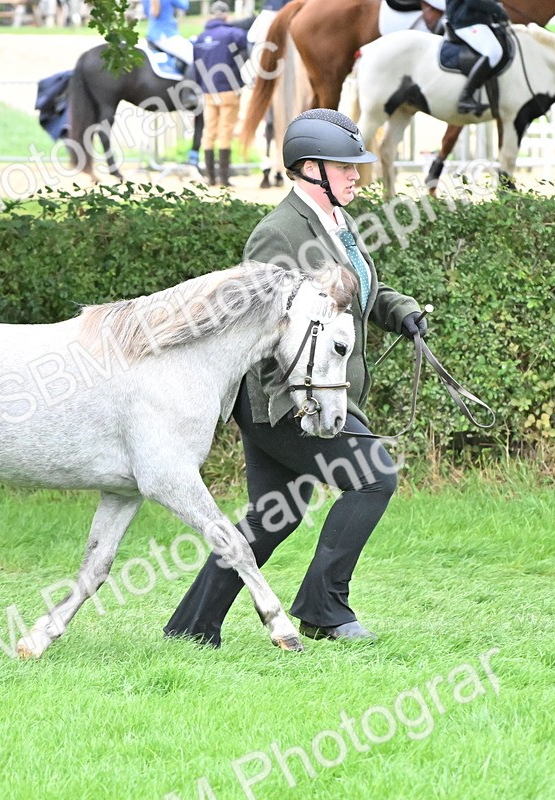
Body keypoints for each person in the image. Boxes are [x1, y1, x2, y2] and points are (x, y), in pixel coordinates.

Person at [164, 109, 428, 648]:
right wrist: (301, 405)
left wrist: (396, 309)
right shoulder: (277, 235)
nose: (357, 175)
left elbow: (346, 294)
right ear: (311, 168)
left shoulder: (336, 221)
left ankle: (191, 628)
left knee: (273, 516)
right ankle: (324, 608)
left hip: (308, 399)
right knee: (375, 476)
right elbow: (257, 326)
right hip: (281, 404)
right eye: (345, 166)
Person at [193, 1, 249, 186]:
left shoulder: (200, 38)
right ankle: (224, 179)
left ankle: (210, 178)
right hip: (228, 89)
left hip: (208, 91)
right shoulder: (233, 33)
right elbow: (247, 42)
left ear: (211, 15)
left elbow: (196, 66)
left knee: (209, 132)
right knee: (225, 132)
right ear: (226, 15)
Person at [443, 0, 510, 116]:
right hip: (465, 20)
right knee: (493, 52)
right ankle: (465, 97)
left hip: (477, 19)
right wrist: (497, 9)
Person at [143, 0, 193, 67]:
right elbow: (184, 5)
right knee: (194, 55)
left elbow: (147, 12)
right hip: (166, 35)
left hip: (152, 35)